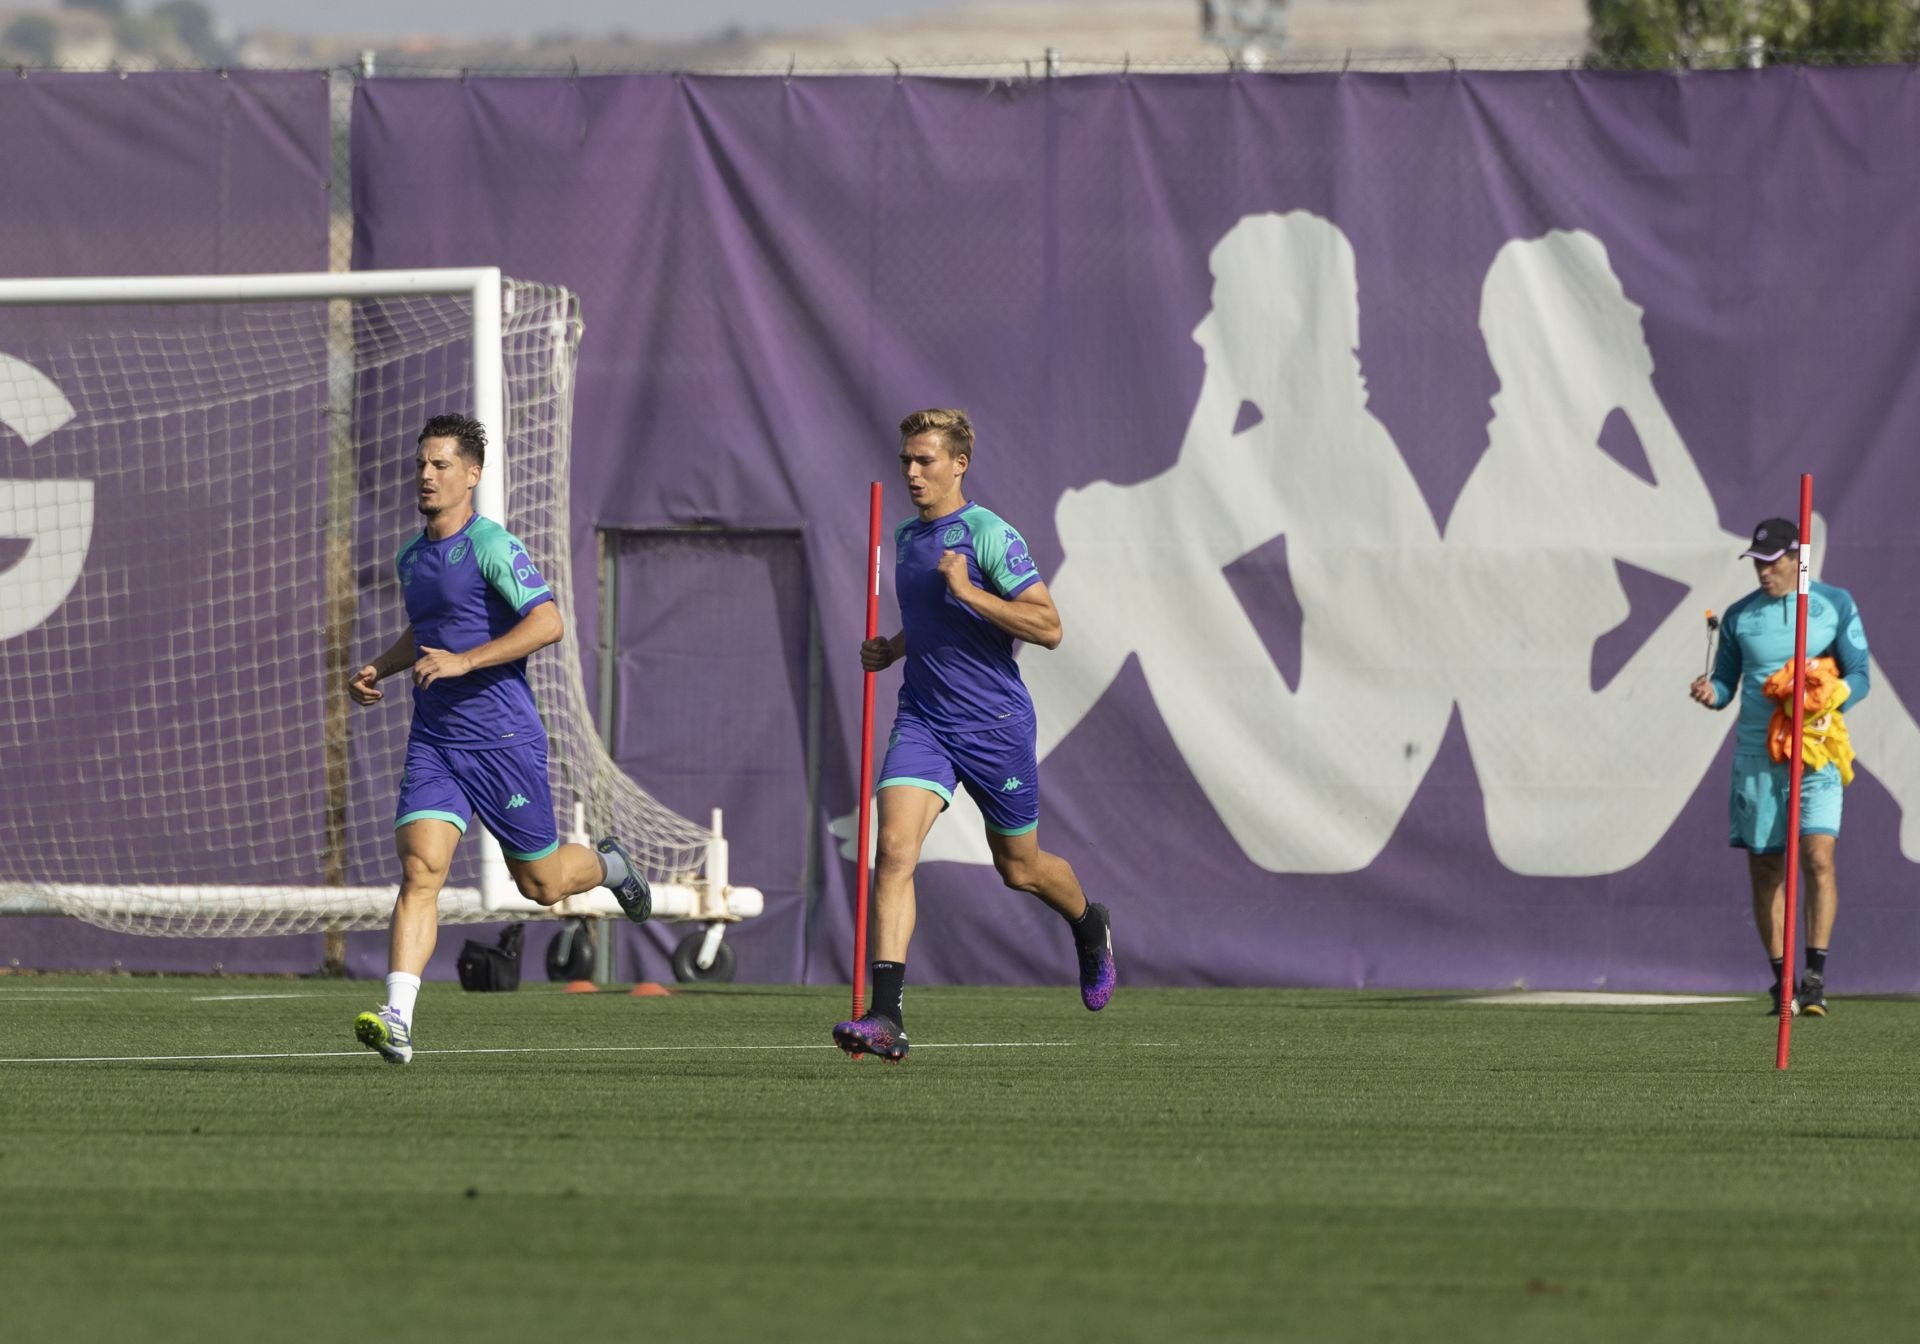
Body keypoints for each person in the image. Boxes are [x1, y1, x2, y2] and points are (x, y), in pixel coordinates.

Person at [346, 413, 651, 1064]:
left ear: (472, 475)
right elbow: (427, 629)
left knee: (539, 885)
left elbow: (548, 622)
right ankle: (397, 1019)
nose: (426, 476)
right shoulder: (410, 556)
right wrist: (382, 665)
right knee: (420, 870)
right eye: (421, 464)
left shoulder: (492, 546)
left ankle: (608, 865)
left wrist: (467, 660)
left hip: (502, 738)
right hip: (436, 738)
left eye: (441, 465)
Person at [833, 408, 1116, 1063]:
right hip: (924, 720)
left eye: (925, 460)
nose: (911, 471)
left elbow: (1047, 626)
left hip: (995, 727)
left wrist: (969, 591)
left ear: (958, 464)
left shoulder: (989, 534)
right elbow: (937, 621)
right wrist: (895, 648)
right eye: (906, 459)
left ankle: (1086, 922)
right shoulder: (907, 537)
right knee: (896, 848)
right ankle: (886, 1017)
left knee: (1020, 869)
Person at [1690, 517, 1869, 1017]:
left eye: (1772, 562)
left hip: (1814, 751)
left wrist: (1827, 698)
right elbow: (1725, 685)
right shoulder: (1739, 616)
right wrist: (1711, 693)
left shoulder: (1833, 604)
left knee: (1818, 857)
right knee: (1767, 867)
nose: (1763, 572)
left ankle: (1814, 979)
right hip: (1756, 758)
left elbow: (1860, 674)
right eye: (1757, 563)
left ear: (1797, 559)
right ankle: (1781, 983)